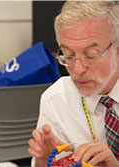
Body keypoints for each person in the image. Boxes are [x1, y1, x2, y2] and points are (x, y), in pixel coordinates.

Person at [28, 1, 119, 167]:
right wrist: (43, 162)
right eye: (69, 56)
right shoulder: (56, 99)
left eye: (90, 56)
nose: (77, 70)